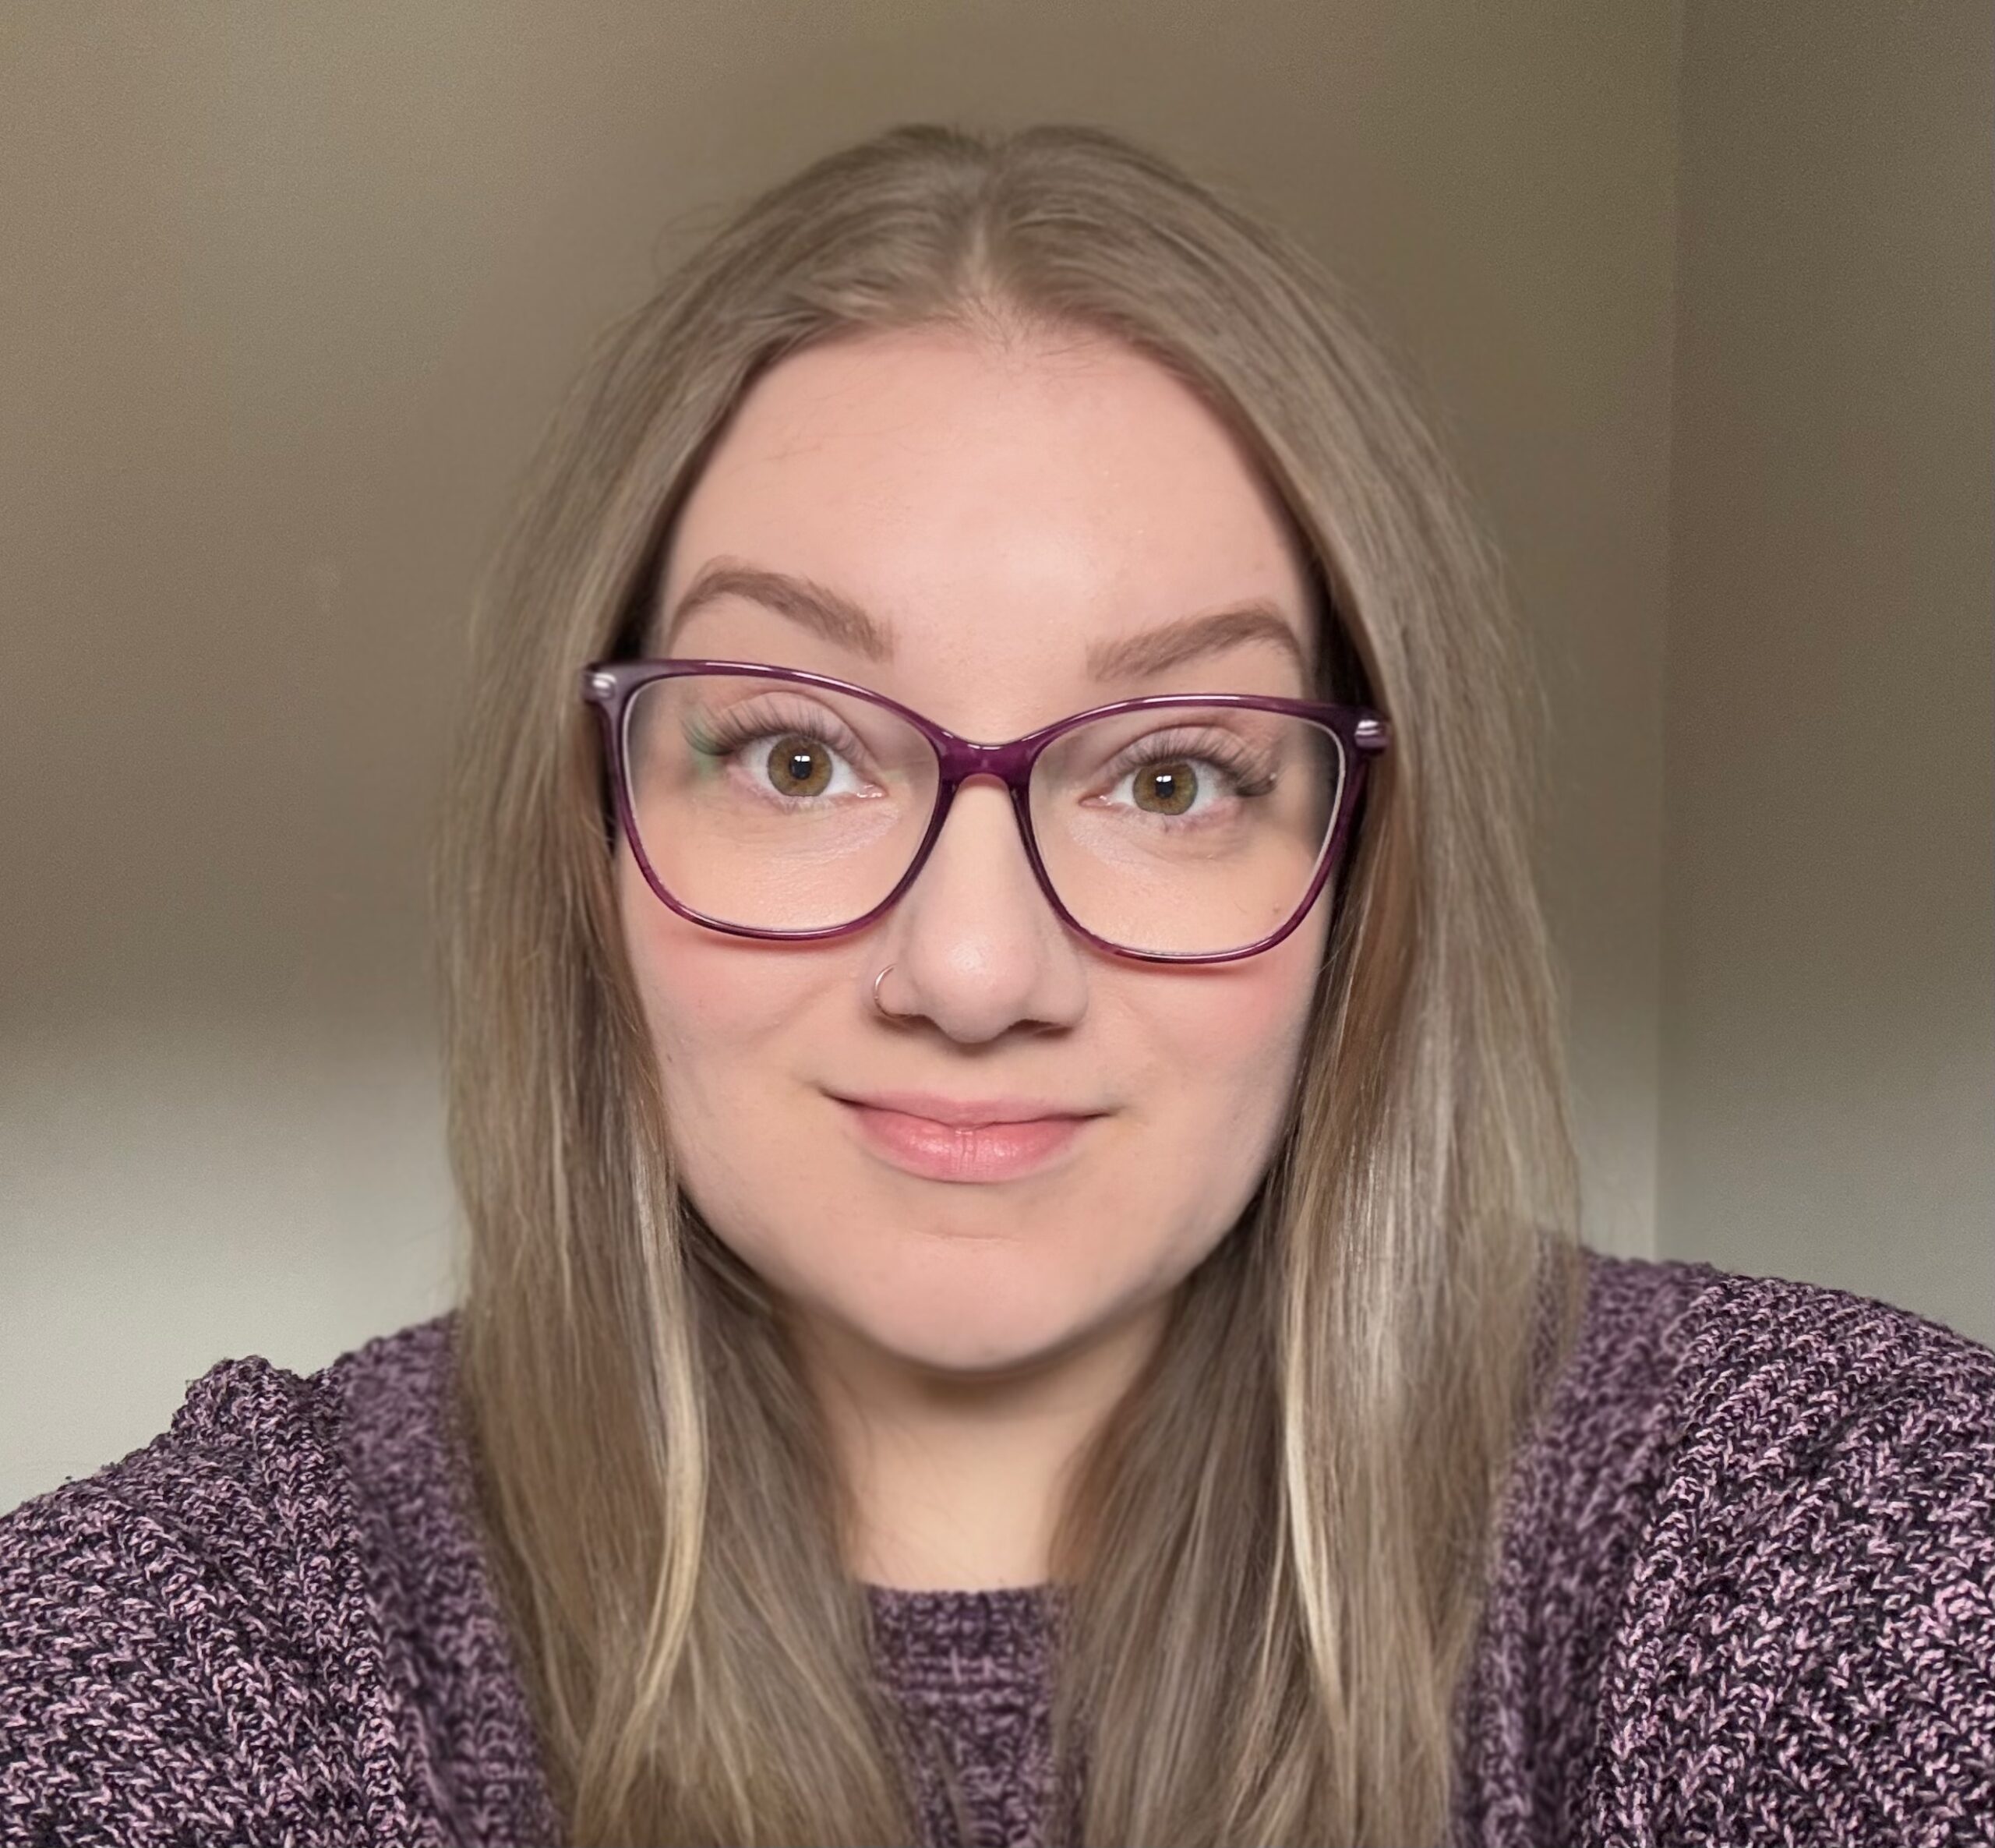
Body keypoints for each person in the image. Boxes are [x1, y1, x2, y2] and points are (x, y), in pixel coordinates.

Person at [2, 121, 1990, 1848]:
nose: (970, 969)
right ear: (591, 828)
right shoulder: (257, 1613)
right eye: (797, 756)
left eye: (1170, 778)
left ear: (1362, 875)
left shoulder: (1778, 1521)